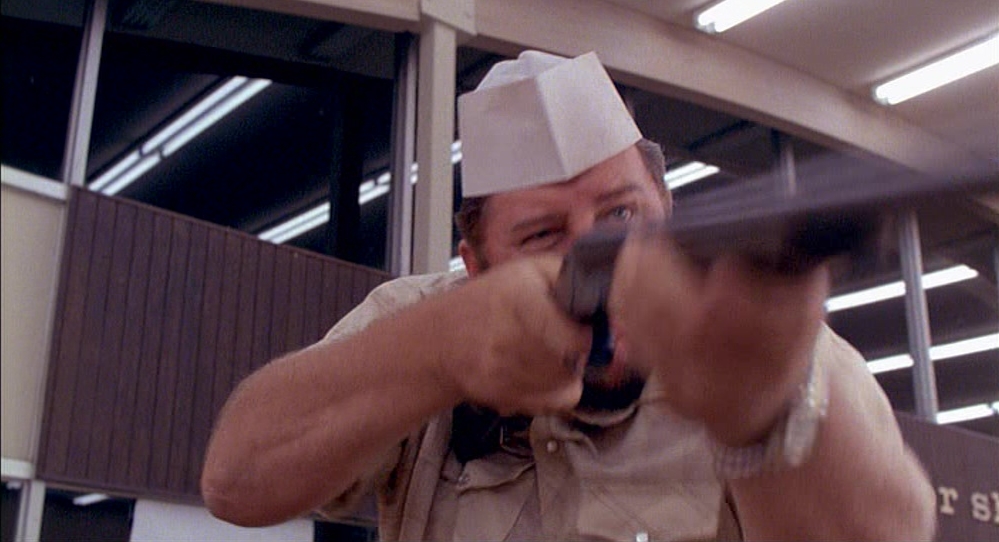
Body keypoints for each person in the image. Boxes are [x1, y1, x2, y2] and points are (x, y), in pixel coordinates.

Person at [201, 50, 936, 541]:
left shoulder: (750, 335)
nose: (597, 251)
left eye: (622, 215)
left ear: (666, 210)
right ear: (475, 265)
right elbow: (236, 482)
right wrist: (439, 350)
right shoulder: (428, 320)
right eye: (543, 234)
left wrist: (761, 416)